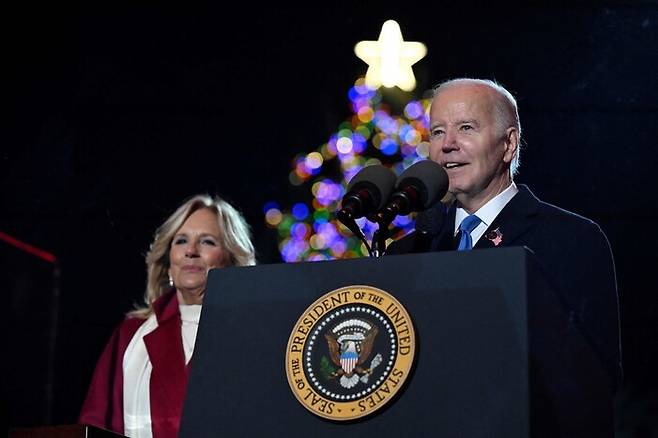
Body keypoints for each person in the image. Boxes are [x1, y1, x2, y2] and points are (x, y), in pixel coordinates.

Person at [387, 78, 622, 434]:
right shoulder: (408, 251)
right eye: (437, 132)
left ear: (509, 143)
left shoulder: (570, 238)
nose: (448, 145)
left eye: (466, 128)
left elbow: (591, 380)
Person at [78, 194, 256, 438]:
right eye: (181, 240)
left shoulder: (253, 334)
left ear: (231, 259)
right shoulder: (131, 335)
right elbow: (95, 426)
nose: (191, 251)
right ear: (169, 260)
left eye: (207, 242)